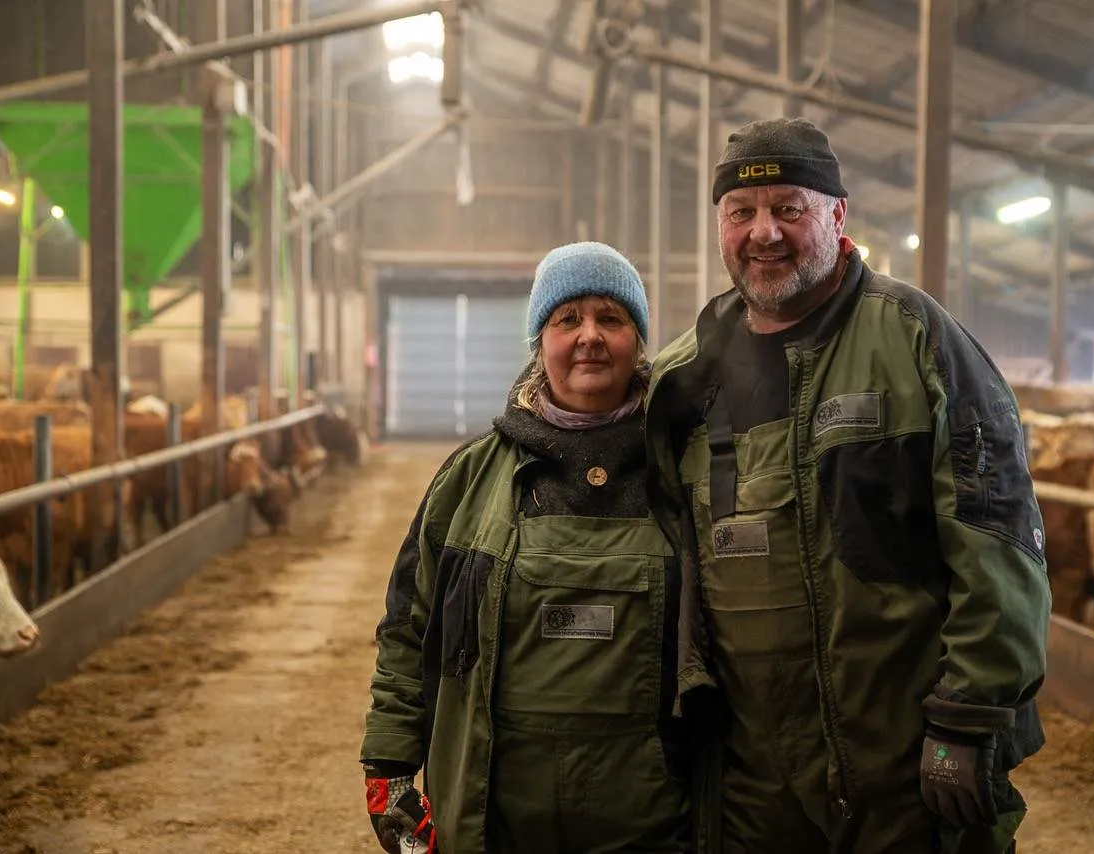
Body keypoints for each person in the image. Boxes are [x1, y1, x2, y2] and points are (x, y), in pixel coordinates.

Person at [642, 117, 1052, 854]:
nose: (764, 232)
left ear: (837, 215)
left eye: (788, 209)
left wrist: (968, 716)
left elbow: (997, 537)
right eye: (741, 212)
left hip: (904, 768)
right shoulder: (682, 377)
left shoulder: (917, 340)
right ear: (719, 226)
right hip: (753, 779)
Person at [360, 241, 691, 854]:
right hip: (497, 812)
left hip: (652, 817)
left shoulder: (685, 474)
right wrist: (390, 762)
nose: (590, 337)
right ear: (541, 343)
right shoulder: (468, 480)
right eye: (567, 320)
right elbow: (409, 629)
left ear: (638, 342)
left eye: (611, 318)